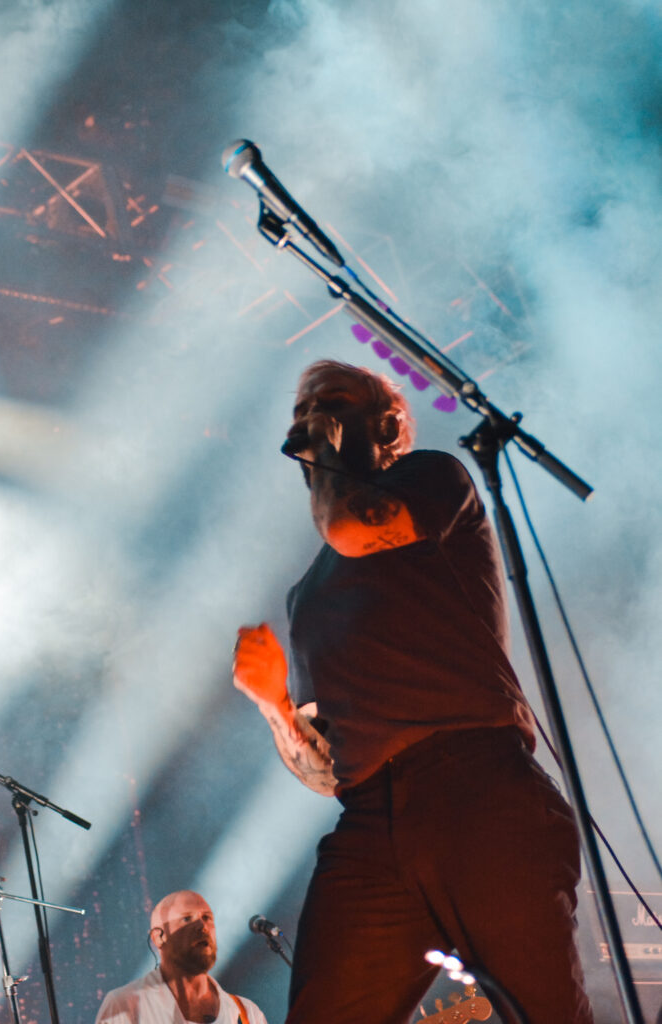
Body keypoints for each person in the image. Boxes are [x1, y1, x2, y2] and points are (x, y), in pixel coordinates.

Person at [233, 359, 594, 1024]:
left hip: (479, 792)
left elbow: (350, 525)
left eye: (335, 404)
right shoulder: (306, 592)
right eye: (306, 409)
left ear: (388, 423)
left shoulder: (431, 477)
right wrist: (271, 703)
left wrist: (331, 452)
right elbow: (321, 769)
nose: (315, 416)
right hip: (369, 822)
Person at [94, 890, 267, 1024]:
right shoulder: (125, 1006)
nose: (202, 926)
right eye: (187, 919)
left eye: (207, 918)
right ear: (159, 937)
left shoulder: (246, 1013)